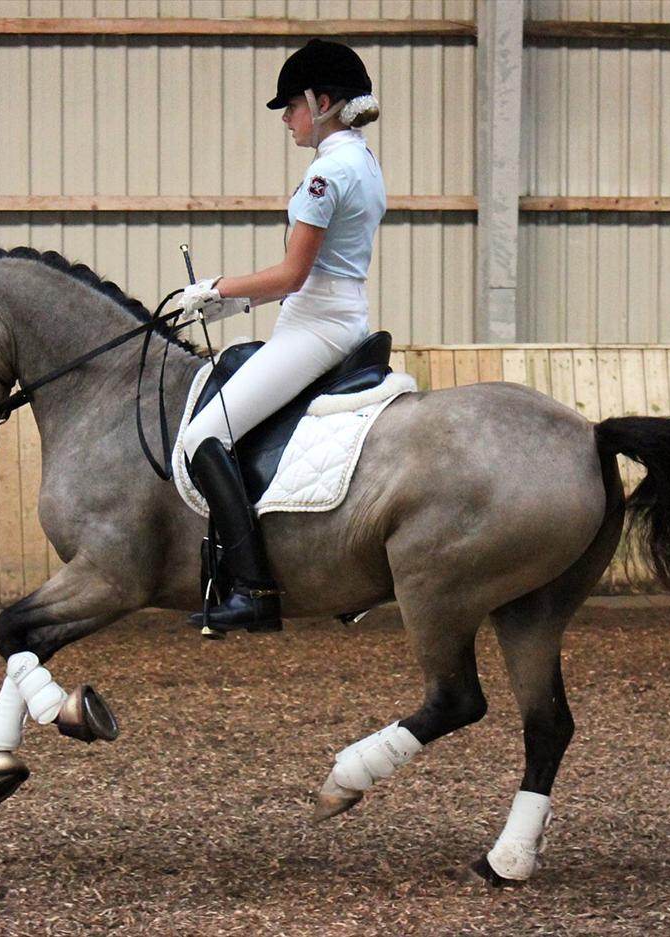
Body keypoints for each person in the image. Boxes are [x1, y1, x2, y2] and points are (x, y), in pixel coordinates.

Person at [177, 39, 386, 633]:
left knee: (203, 438)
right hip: (338, 315)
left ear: (322, 103)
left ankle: (253, 588)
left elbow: (293, 275)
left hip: (317, 326)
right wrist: (237, 303)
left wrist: (218, 289)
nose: (288, 119)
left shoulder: (324, 174)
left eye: (292, 106)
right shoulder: (363, 161)